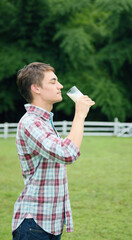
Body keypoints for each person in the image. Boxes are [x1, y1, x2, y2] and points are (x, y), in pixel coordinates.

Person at [12, 62, 95, 240]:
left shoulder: (43, 122)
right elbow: (67, 153)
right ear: (36, 88)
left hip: (49, 223)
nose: (60, 86)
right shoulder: (30, 123)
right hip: (34, 224)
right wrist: (80, 115)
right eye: (53, 81)